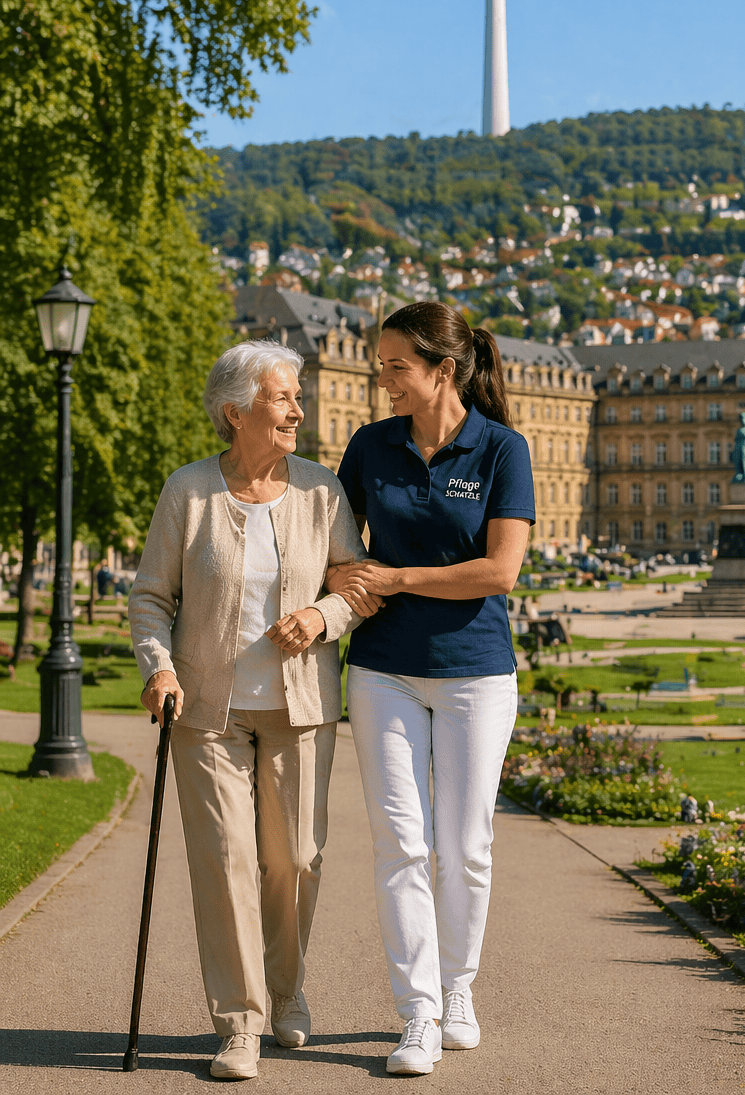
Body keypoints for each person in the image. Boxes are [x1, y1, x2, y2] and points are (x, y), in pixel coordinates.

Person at [129, 340, 376, 1082]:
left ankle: (287, 990)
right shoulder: (189, 492)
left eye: (297, 396)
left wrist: (323, 616)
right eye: (282, 397)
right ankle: (239, 1022)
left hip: (299, 708)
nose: (298, 409)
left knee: (293, 860)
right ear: (235, 412)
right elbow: (150, 600)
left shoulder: (320, 491)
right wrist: (160, 666)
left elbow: (356, 584)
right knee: (227, 863)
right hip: (207, 712)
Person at [328, 303, 534, 1077]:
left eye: (394, 367)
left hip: (477, 671)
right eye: (379, 366)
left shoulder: (501, 449)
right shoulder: (369, 446)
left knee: (465, 846)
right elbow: (335, 545)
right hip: (383, 668)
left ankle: (459, 992)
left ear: (443, 371)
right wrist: (340, 575)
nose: (380, 381)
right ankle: (416, 1013)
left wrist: (399, 577)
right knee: (401, 846)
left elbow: (500, 571)